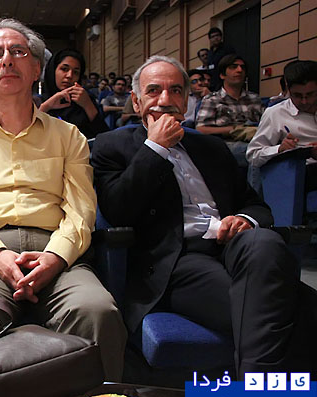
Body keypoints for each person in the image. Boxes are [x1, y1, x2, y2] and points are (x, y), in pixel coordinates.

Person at [91, 54, 316, 379]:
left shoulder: (211, 147)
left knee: (263, 241)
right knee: (292, 308)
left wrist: (245, 219)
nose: (165, 100)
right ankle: (264, 387)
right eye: (154, 91)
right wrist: (155, 148)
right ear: (137, 103)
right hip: (178, 260)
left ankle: (254, 389)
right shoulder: (113, 146)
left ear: (186, 101)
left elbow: (255, 204)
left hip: (233, 245)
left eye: (175, 91)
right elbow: (118, 209)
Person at [0, 18, 127, 382]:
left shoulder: (69, 136)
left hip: (58, 255)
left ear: (37, 68)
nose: (7, 59)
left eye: (18, 52)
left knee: (97, 311)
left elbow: (81, 209)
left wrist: (55, 258)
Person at [246, 60, 317, 188]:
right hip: (302, 174)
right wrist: (280, 149)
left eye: (310, 94)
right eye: (297, 95)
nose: (304, 101)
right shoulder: (276, 114)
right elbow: (253, 155)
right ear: (288, 89)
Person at [196, 54, 264, 167]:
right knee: (255, 153)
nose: (239, 70)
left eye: (242, 67)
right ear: (222, 75)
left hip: (255, 140)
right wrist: (233, 130)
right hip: (226, 144)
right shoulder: (212, 100)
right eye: (233, 67)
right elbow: (201, 129)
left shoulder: (254, 98)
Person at [40, 49, 109, 139]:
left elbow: (104, 137)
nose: (69, 75)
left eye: (76, 72)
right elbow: (28, 136)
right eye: (64, 69)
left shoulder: (84, 99)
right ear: (53, 71)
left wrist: (88, 105)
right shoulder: (35, 101)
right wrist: (46, 106)